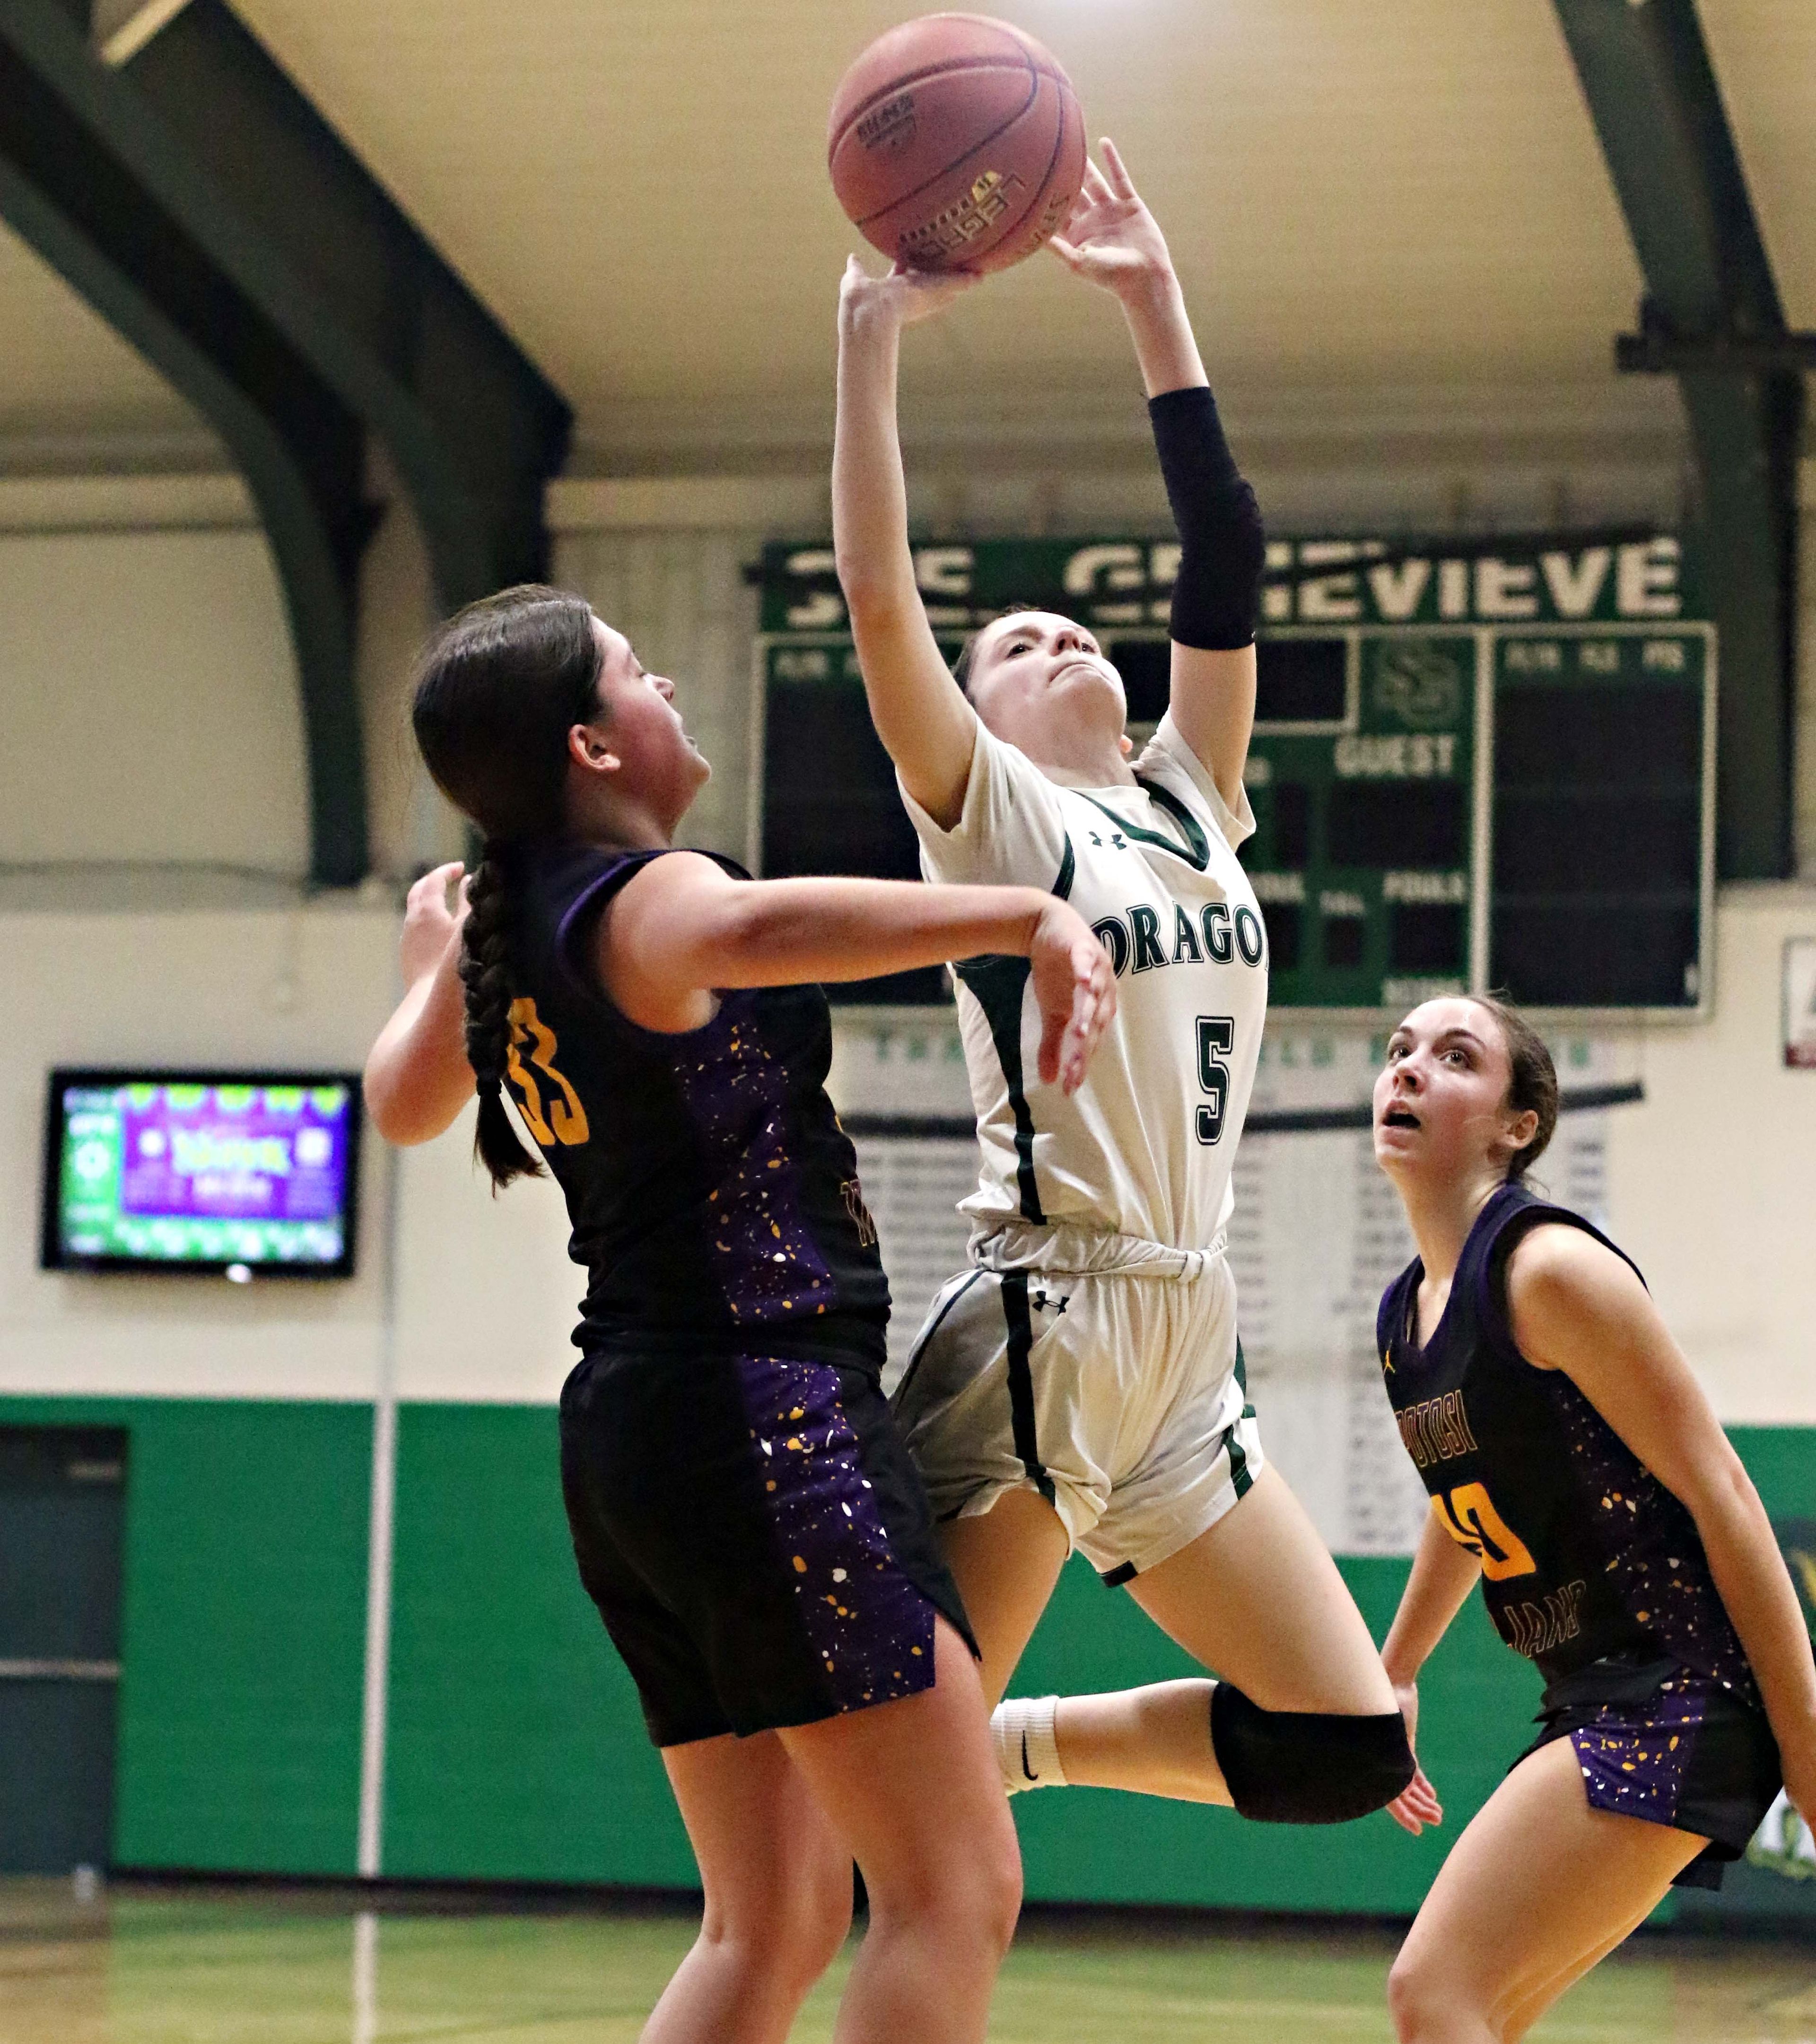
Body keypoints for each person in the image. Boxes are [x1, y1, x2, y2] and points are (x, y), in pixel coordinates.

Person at [363, 585, 1117, 2044]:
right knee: (953, 1890)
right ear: (591, 744)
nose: (670, 686)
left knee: (766, 1918)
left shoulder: (519, 925)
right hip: (765, 1422)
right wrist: (1030, 914)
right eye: (640, 671)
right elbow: (768, 921)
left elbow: (400, 1103)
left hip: (640, 1445)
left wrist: (428, 969)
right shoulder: (646, 900)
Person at [829, 139, 1414, 1825]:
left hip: (1186, 1330)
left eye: (1071, 625)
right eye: (1010, 642)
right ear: (976, 713)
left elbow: (1222, 545)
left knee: (1347, 1744)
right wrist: (871, 335)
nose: (1058, 635)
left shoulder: (1188, 795)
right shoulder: (993, 819)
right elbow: (883, 598)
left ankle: (1017, 1749)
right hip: (1052, 1309)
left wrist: (1157, 300)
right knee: (894, 1817)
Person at [1370, 993, 1816, 2043]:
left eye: (1453, 1055)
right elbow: (1461, 1497)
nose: (1409, 1068)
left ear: (1515, 1124)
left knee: (1433, 1989)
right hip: (1594, 1691)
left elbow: (1729, 1498)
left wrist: (1805, 1747)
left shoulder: (1553, 1272)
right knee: (1483, 2012)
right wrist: (1396, 1668)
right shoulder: (1406, 1315)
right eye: (1399, 1051)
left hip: (1682, 1694)